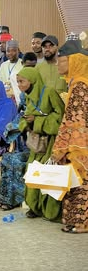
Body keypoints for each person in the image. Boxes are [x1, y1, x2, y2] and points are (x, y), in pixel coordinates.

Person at [16, 67, 65, 220]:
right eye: (18, 82)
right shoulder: (29, 97)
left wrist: (37, 121)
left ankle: (49, 211)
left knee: (48, 173)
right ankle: (35, 207)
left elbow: (61, 117)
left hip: (51, 143)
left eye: (22, 81)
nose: (19, 85)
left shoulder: (49, 92)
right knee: (33, 171)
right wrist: (26, 124)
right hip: (37, 144)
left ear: (32, 80)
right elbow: (24, 118)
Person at [52, 42, 88, 233]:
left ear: (75, 61)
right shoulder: (77, 83)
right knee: (75, 182)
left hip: (79, 144)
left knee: (80, 183)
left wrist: (61, 146)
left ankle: (81, 223)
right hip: (77, 142)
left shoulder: (80, 85)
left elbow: (75, 121)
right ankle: (74, 221)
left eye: (62, 60)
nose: (58, 64)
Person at [0, 40, 23, 105]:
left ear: (18, 51)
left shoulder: (22, 64)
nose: (10, 53)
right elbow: (1, 82)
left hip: (19, 96)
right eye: (8, 51)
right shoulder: (3, 65)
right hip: (6, 97)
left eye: (13, 51)